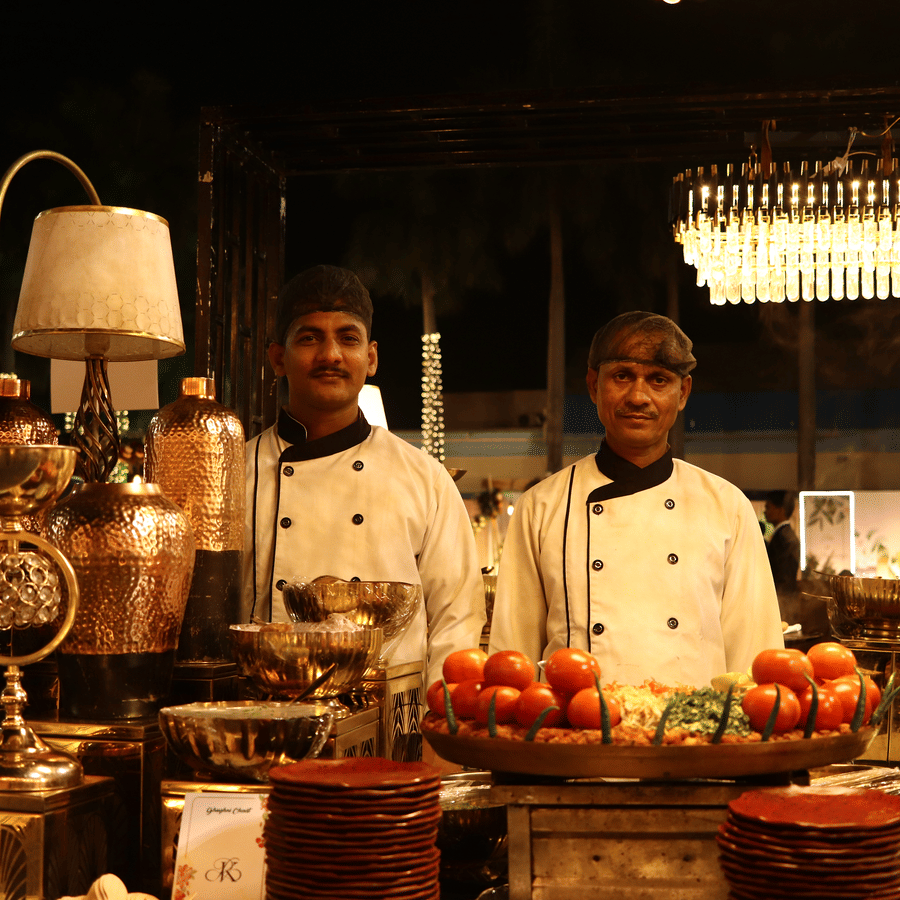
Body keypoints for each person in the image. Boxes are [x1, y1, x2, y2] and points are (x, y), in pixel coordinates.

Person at [489, 310, 784, 688]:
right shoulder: (541, 506)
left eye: (658, 380)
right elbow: (513, 660)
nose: (638, 396)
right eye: (622, 376)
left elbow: (754, 659)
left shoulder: (727, 506)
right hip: (577, 736)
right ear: (594, 386)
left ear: (683, 393)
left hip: (694, 737)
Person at [243, 265, 486, 691]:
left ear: (370, 358)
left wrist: (438, 725)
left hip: (394, 724)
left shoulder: (423, 477)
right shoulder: (234, 473)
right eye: (309, 338)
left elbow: (458, 621)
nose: (331, 355)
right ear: (277, 358)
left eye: (347, 338)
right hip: (264, 717)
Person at [764, 490, 801, 593]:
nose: (765, 511)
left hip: (783, 599)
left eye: (768, 507)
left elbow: (784, 577)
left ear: (780, 510)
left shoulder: (784, 537)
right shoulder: (783, 534)